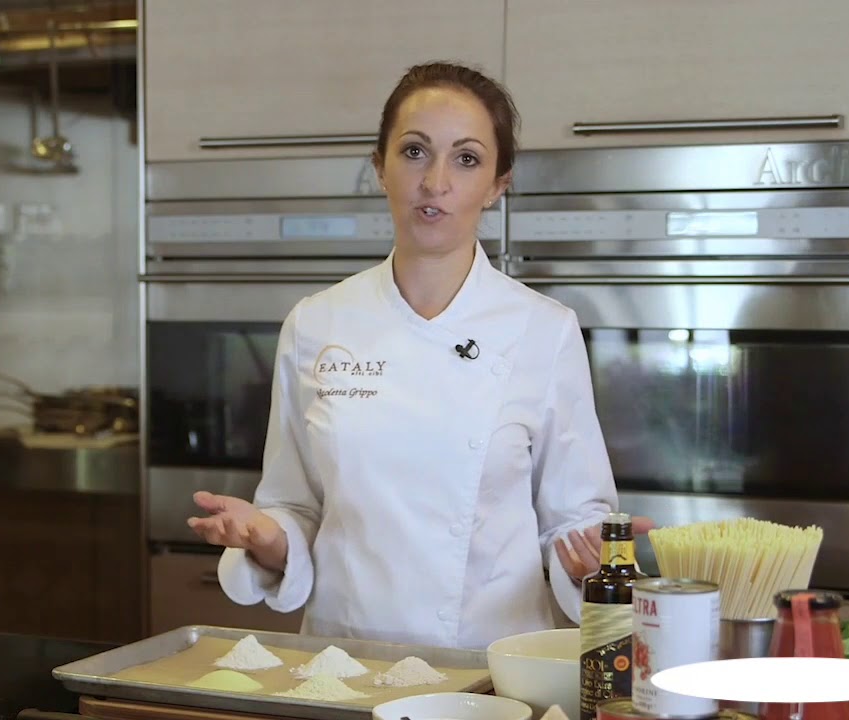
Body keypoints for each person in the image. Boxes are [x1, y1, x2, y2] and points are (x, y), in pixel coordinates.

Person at [186, 61, 651, 650]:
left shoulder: (544, 330)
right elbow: (293, 507)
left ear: (498, 184)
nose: (435, 181)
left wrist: (592, 562)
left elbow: (573, 521)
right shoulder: (316, 324)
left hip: (489, 665)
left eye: (466, 159)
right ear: (380, 167)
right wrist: (264, 536)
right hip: (345, 662)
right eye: (414, 152)